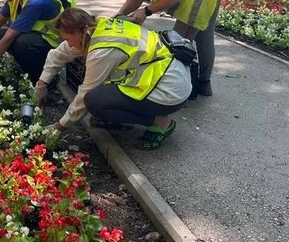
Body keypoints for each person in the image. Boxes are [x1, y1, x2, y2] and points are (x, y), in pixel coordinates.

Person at [35, 9, 192, 149]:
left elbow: (84, 94)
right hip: (164, 74)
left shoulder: (102, 50)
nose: (68, 44)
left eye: (68, 39)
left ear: (79, 32)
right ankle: (122, 119)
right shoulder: (97, 26)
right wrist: (42, 84)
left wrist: (59, 126)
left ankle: (161, 122)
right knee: (101, 99)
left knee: (94, 101)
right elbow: (60, 53)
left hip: (168, 89)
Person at [103, 0, 226, 97]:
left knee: (178, 43)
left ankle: (178, 90)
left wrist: (146, 11)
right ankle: (204, 84)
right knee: (204, 36)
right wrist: (119, 16)